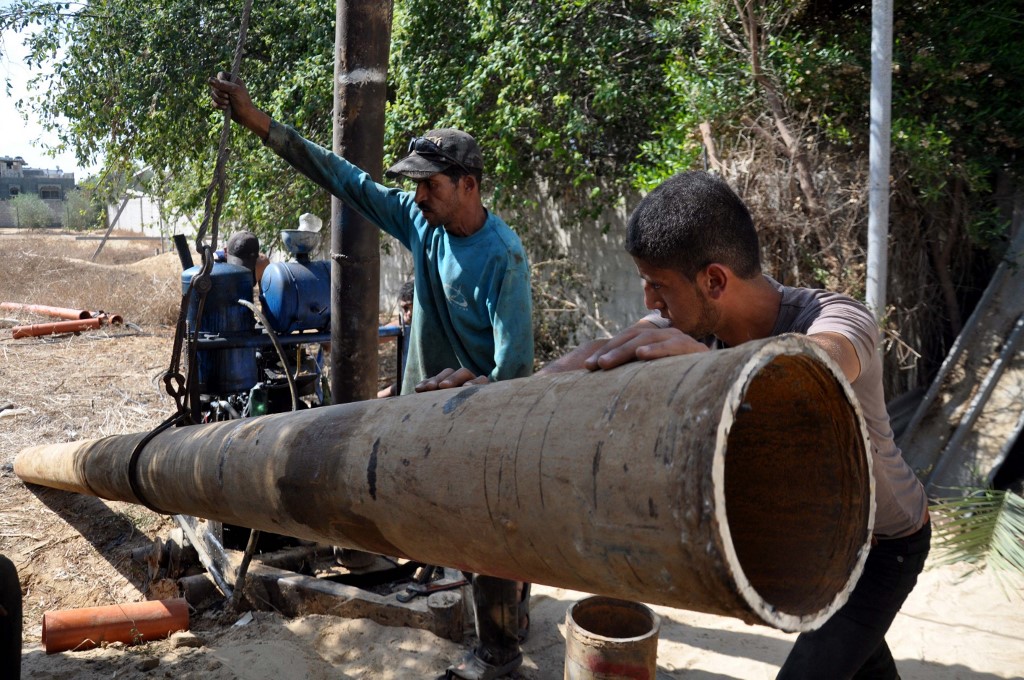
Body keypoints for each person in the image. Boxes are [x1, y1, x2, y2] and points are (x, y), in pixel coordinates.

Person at [419, 171, 931, 680]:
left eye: (657, 285)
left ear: (713, 280)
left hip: (884, 544)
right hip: (815, 541)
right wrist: (494, 397)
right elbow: (599, 353)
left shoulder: (836, 319)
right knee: (859, 662)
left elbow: (819, 363)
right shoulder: (691, 325)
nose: (648, 301)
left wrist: (718, 371)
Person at [209, 73, 534, 680]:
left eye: (430, 185)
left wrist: (473, 381)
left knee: (491, 528)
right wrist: (258, 121)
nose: (419, 195)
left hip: (484, 418)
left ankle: (502, 649)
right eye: (414, 184)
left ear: (469, 185)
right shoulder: (422, 222)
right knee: (446, 526)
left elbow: (513, 368)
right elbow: (342, 177)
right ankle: (489, 605)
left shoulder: (503, 256)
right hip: (424, 413)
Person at [378, 280, 415, 399]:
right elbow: (373, 338)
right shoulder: (405, 323)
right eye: (405, 308)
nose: (408, 314)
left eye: (411, 307)